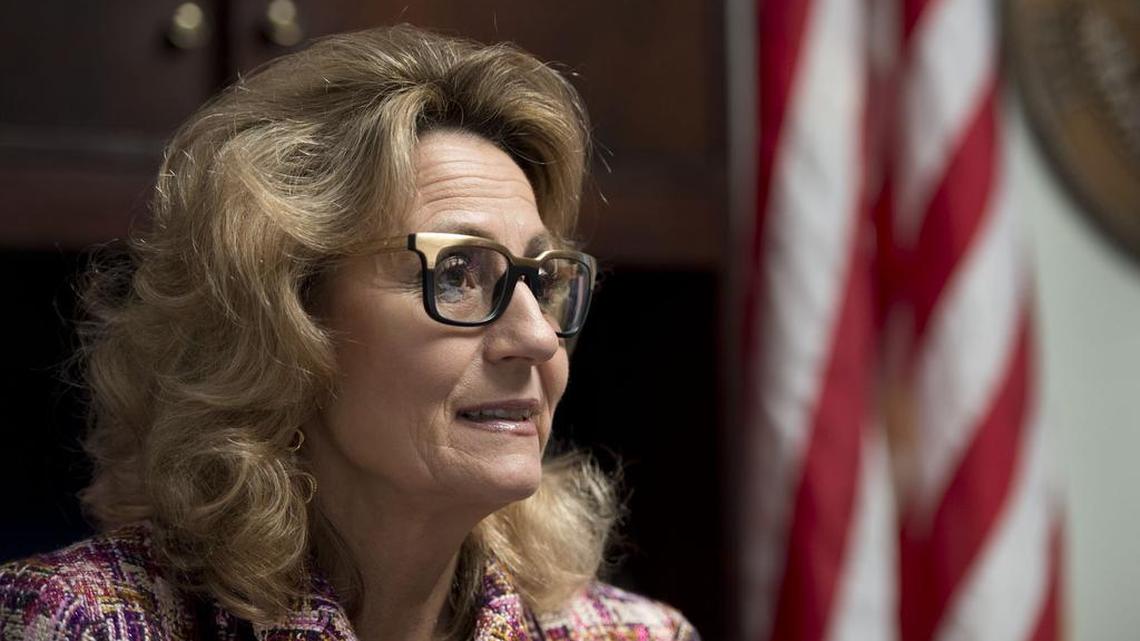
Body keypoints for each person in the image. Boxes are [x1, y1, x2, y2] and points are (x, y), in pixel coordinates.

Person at [0, 24, 698, 641]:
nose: (539, 338)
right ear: (289, 319)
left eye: (542, 280)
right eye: (457, 273)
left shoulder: (635, 634)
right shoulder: (83, 622)